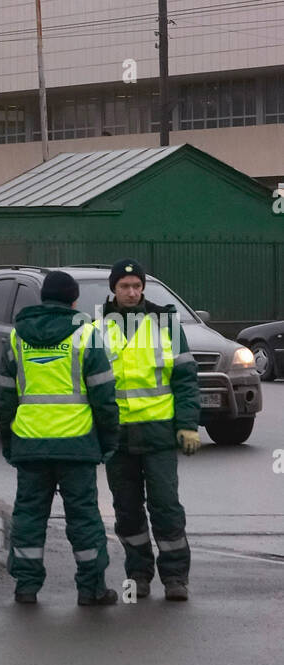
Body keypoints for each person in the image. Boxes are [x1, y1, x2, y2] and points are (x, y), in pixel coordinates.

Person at [0, 270, 120, 606]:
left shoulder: (16, 338)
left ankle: (26, 587)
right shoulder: (87, 336)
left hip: (30, 445)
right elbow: (105, 399)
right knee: (84, 519)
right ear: (74, 300)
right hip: (77, 446)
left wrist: (9, 443)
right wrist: (108, 442)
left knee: (29, 517)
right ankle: (91, 589)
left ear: (43, 298)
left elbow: (5, 400)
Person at [94, 258, 200, 602]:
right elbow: (87, 385)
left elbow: (185, 380)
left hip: (158, 434)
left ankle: (175, 578)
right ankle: (138, 574)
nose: (131, 291)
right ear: (113, 289)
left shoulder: (165, 322)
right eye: (124, 286)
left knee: (166, 506)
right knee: (126, 510)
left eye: (137, 286)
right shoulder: (98, 326)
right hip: (117, 436)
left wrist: (187, 425)